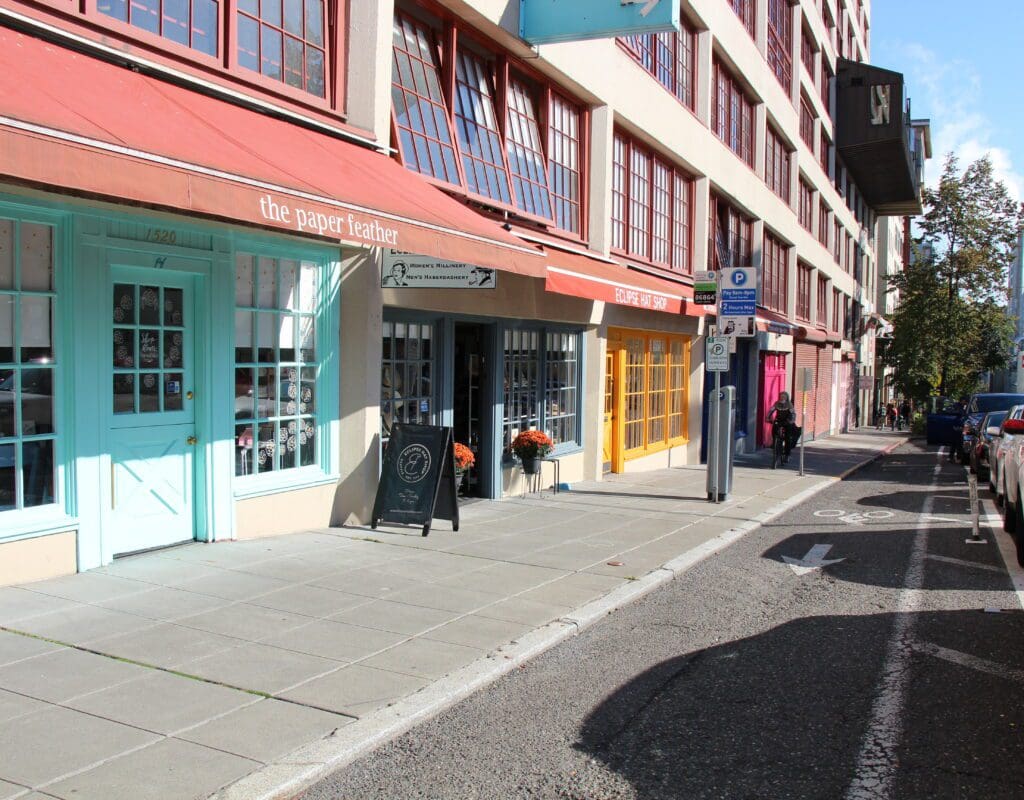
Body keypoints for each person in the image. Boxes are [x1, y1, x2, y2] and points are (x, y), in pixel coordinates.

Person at [767, 391, 799, 463]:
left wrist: (792, 420)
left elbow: (793, 414)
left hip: (787, 421)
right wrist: (767, 417)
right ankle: (775, 442)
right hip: (779, 420)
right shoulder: (777, 403)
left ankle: (787, 455)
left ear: (787, 397)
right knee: (774, 430)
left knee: (788, 437)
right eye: (781, 396)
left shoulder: (789, 404)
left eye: (784, 396)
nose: (782, 397)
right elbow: (771, 411)